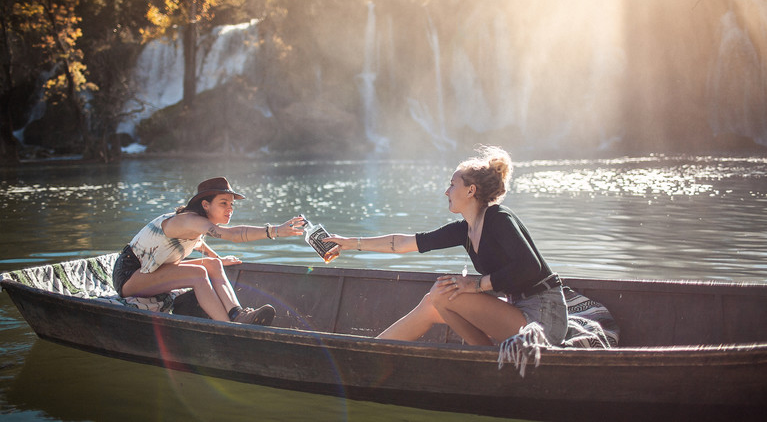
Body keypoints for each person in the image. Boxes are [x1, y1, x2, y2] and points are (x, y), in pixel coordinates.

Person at [324, 146, 568, 346]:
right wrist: (349, 244)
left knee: (444, 292)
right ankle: (371, 350)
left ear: (471, 190)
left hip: (544, 316)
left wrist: (476, 285)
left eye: (452, 184)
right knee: (433, 302)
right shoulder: (465, 230)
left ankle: (483, 355)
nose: (446, 191)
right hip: (518, 309)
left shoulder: (499, 219)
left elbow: (529, 267)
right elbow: (403, 243)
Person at [112, 176, 306, 325]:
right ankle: (226, 327)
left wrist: (218, 259)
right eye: (223, 203)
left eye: (231, 204)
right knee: (199, 273)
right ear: (205, 204)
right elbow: (232, 234)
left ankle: (238, 314)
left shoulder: (197, 223)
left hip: (150, 272)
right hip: (129, 275)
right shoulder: (188, 220)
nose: (230, 209)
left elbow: (197, 243)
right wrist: (275, 231)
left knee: (212, 265)